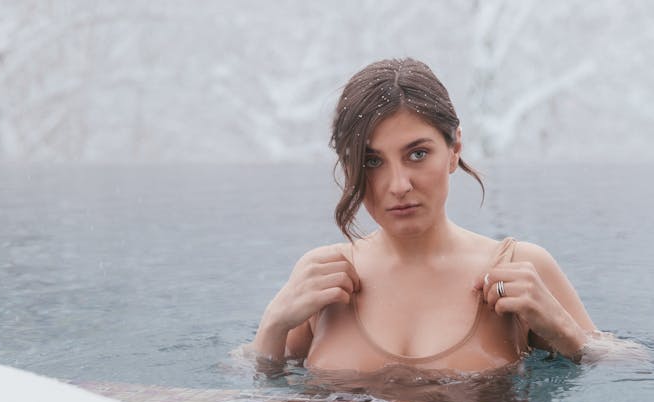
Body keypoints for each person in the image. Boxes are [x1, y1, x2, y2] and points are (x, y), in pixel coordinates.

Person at [248, 57, 599, 375]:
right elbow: (252, 388)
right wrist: (274, 325)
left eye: (417, 154)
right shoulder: (322, 277)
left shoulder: (519, 267)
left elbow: (623, 368)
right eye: (372, 161)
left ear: (454, 149)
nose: (398, 185)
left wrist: (561, 329)